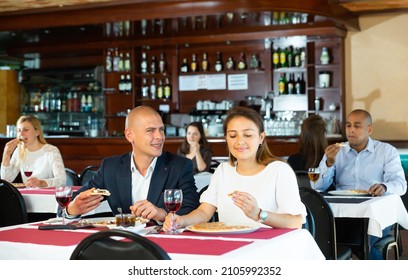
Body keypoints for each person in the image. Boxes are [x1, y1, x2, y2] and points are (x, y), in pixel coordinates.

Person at [163, 106, 306, 231]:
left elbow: (296, 222)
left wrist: (259, 214)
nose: (240, 141)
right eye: (233, 135)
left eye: (248, 135)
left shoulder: (279, 170)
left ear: (261, 137)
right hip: (230, 247)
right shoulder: (223, 171)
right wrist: (181, 221)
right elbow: (204, 212)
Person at [66, 106, 200, 223]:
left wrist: (162, 214)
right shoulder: (110, 167)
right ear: (130, 135)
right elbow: (75, 201)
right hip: (122, 243)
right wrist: (72, 210)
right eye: (150, 130)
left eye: (161, 130)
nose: (160, 136)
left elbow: (192, 206)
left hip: (164, 244)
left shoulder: (180, 166)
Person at [314, 109, 407, 259]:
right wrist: (329, 163)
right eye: (348, 125)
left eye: (357, 126)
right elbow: (317, 187)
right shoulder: (336, 152)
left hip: (376, 216)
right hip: (342, 215)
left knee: (358, 240)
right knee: (318, 236)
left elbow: (400, 184)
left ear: (369, 129)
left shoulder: (386, 151)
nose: (351, 130)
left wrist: (384, 187)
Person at [1, 115, 66, 188]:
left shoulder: (51, 150)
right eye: (19, 130)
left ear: (37, 132)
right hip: (26, 197)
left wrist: (41, 183)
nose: (21, 134)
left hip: (47, 197)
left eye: (25, 130)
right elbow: (6, 180)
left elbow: (62, 180)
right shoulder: (19, 151)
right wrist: (6, 154)